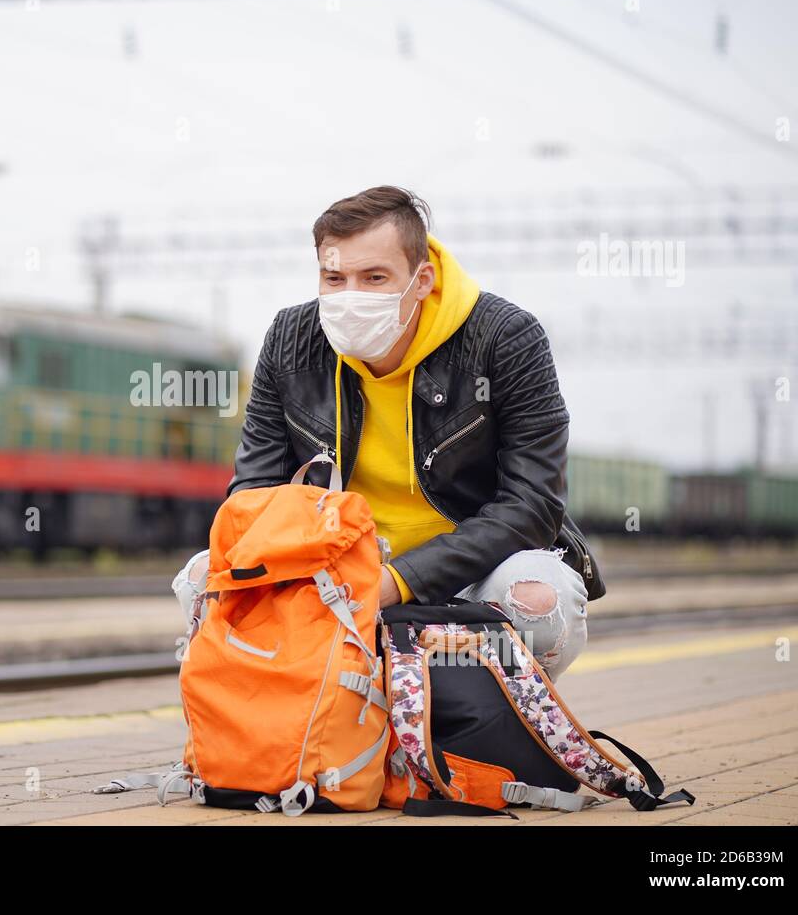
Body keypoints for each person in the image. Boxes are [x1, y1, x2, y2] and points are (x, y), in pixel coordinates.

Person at [175, 185, 604, 679]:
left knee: (537, 600)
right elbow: (253, 495)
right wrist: (302, 574)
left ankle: (500, 719)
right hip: (334, 569)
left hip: (473, 574)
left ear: (421, 280)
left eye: (374, 277)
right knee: (203, 577)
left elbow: (533, 506)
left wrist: (397, 580)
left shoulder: (505, 339)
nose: (350, 296)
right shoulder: (291, 340)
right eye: (334, 277)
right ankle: (298, 719)